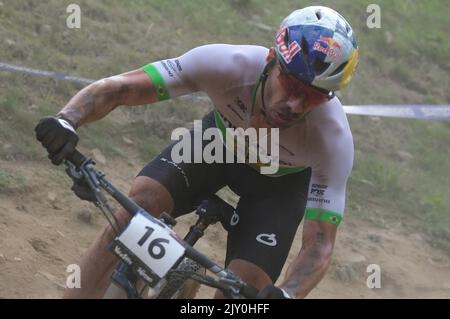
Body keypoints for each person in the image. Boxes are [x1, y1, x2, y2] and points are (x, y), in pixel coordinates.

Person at [35, 6, 359, 299]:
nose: (295, 105)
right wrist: (67, 120)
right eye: (291, 86)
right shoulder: (228, 65)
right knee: (138, 207)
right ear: (272, 59)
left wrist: (288, 294)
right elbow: (121, 88)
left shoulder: (333, 138)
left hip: (279, 186)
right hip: (216, 146)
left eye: (313, 97)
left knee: (246, 292)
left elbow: (319, 244)